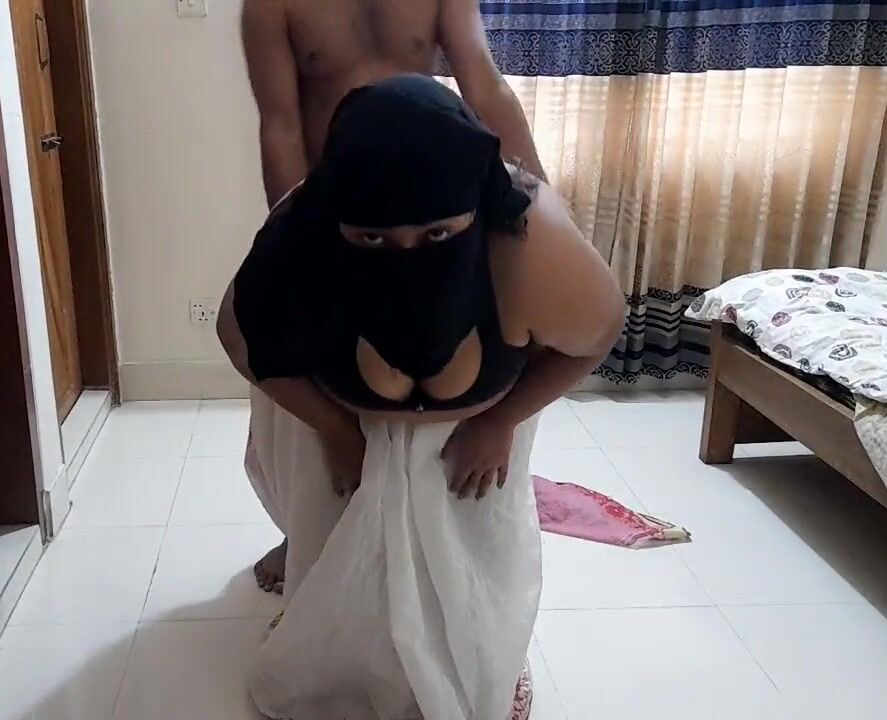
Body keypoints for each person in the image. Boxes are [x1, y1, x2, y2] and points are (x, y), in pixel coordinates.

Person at [219, 75, 623, 720]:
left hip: (479, 426)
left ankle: (474, 660)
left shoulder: (528, 236)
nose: (405, 257)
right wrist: (334, 429)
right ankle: (326, 640)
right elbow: (246, 345)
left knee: (469, 565)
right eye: (374, 239)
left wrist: (501, 420)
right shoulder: (304, 227)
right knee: (333, 548)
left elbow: (593, 337)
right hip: (333, 412)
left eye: (436, 235)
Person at [242, 0, 548, 593]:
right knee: (297, 392)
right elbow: (280, 123)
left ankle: (440, 565)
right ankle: (300, 534)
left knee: (470, 368)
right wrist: (293, 239)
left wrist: (540, 208)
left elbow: (483, 84)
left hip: (435, 217)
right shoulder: (271, 5)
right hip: (342, 221)